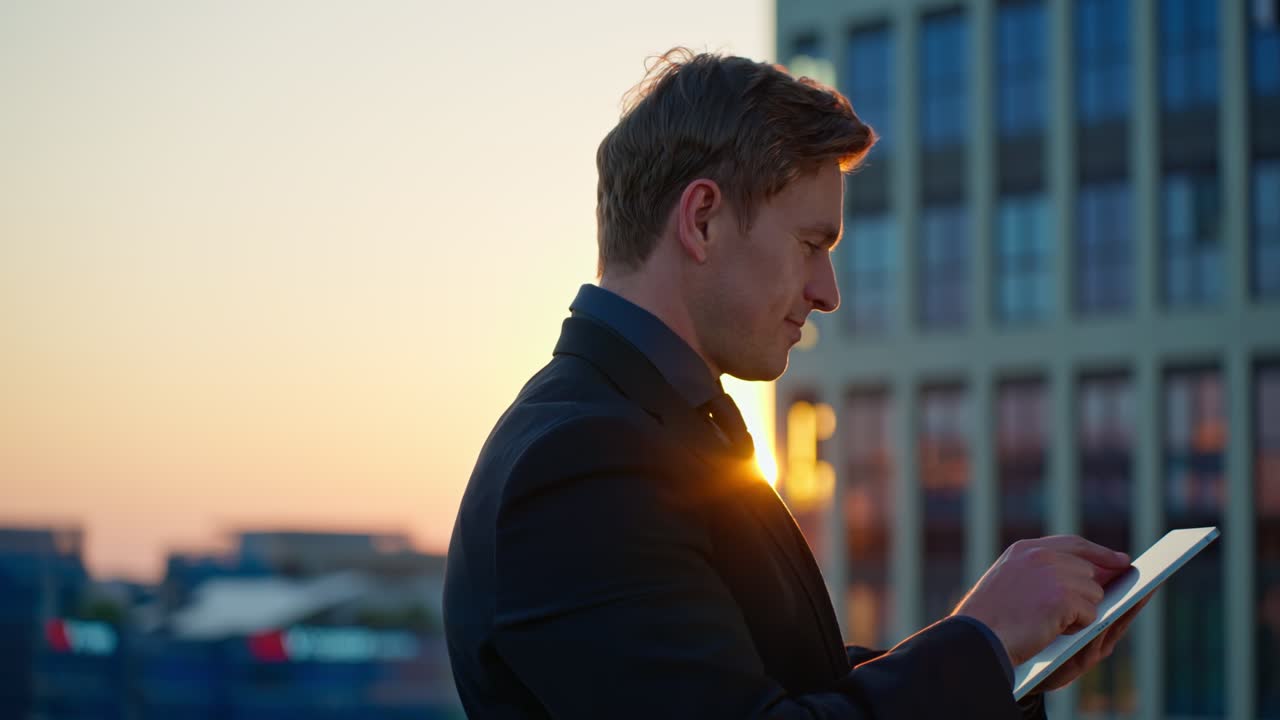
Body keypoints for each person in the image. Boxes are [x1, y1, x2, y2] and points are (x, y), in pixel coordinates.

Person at [443, 48, 1145, 719]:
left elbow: (787, 682)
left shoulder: (640, 429)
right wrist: (982, 642)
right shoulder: (582, 462)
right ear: (703, 219)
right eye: (811, 244)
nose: (828, 292)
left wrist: (1008, 658)